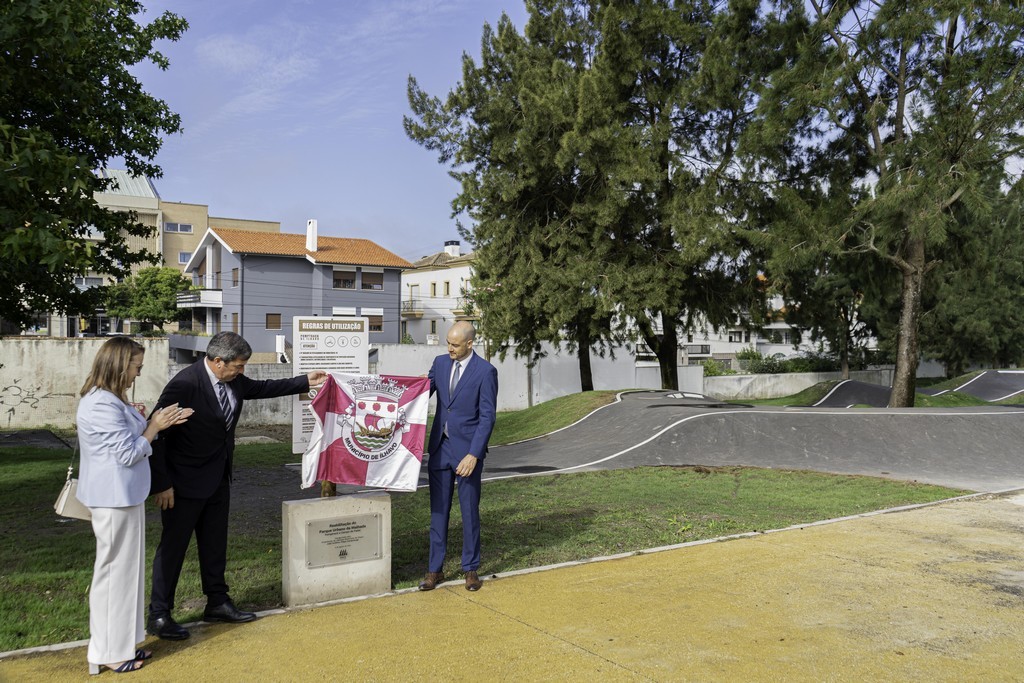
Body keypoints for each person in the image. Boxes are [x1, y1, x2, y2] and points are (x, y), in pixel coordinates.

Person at [146, 331, 326, 640]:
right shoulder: (185, 385)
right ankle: (159, 614)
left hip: (218, 478)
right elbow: (157, 434)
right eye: (238, 366)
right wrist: (162, 484)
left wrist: (304, 381)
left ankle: (217, 602)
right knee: (173, 549)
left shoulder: (234, 381)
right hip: (183, 484)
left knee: (215, 544)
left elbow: (263, 388)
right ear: (218, 362)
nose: (242, 372)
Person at [76, 337, 193, 674]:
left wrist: (154, 420)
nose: (138, 374)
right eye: (136, 367)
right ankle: (108, 652)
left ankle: (122, 645)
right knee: (114, 576)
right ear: (119, 365)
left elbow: (129, 440)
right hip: (112, 501)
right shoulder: (101, 404)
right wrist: (154, 427)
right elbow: (127, 453)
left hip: (124, 498)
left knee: (126, 576)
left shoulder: (111, 400)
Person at [419, 321, 498, 592]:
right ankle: (434, 570)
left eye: (454, 344)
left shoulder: (486, 372)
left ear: (469, 344)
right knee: (438, 513)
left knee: (469, 513)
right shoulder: (440, 363)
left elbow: (487, 417)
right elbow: (419, 394)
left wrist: (474, 455)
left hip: (467, 455)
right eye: (448, 343)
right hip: (440, 451)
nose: (449, 348)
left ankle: (470, 569)